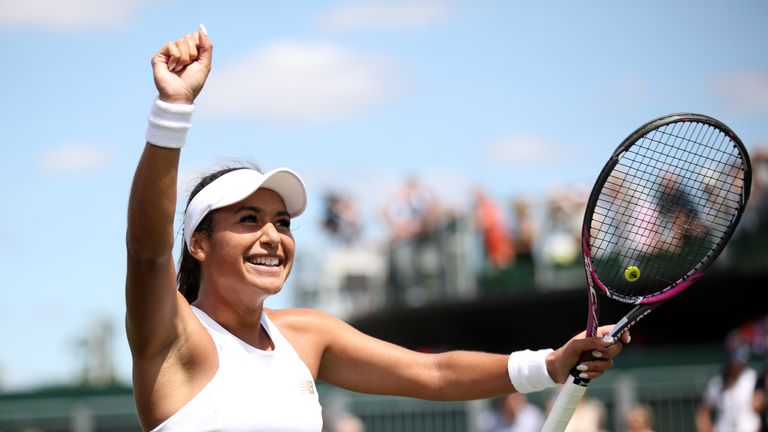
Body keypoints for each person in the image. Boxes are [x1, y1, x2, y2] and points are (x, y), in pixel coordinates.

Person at [125, 26, 629, 431]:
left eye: (283, 222)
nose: (273, 237)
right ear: (198, 244)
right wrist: (173, 110)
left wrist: (549, 364)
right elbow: (146, 251)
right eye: (249, 220)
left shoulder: (307, 334)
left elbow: (430, 373)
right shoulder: (174, 337)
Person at [695, 344, 760, 432]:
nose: (735, 366)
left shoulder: (752, 378)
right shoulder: (718, 382)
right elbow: (703, 411)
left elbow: (760, 402)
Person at [476, 393, 544, 432]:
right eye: (514, 397)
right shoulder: (486, 420)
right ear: (503, 400)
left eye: (520, 396)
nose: (518, 400)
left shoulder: (534, 415)